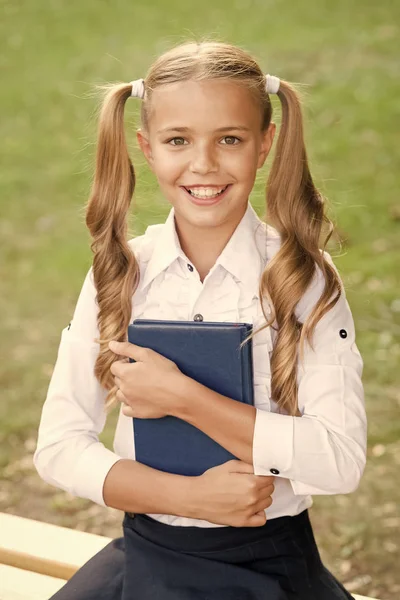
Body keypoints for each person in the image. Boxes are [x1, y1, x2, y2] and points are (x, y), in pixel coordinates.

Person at [33, 40, 367, 600]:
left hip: (267, 566)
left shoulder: (302, 279)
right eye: (178, 140)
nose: (203, 164)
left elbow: (341, 461)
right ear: (147, 148)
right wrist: (188, 499)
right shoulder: (120, 272)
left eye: (229, 140)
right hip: (147, 556)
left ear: (265, 145)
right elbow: (59, 447)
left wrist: (184, 398)